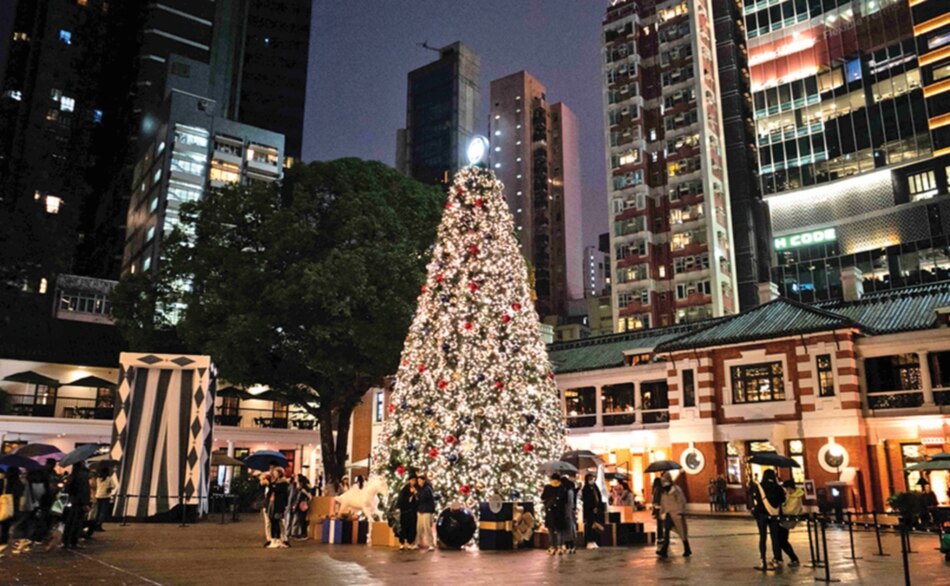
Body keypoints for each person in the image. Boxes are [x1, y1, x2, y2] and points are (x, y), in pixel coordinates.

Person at [751, 468, 785, 570]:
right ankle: (777, 560)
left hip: (762, 515)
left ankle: (763, 560)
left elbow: (756, 499)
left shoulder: (759, 486)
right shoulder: (778, 487)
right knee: (775, 538)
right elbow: (782, 500)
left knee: (763, 537)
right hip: (774, 515)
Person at [657, 471, 691, 558]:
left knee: (682, 531)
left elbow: (682, 500)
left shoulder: (676, 490)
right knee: (667, 530)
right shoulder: (664, 491)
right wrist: (662, 512)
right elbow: (663, 502)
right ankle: (664, 549)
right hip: (668, 513)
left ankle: (687, 548)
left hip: (676, 513)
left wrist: (680, 511)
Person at [62, 461, 91, 550]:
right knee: (77, 522)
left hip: (72, 500)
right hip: (79, 502)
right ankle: (73, 541)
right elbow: (85, 490)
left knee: (69, 522)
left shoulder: (72, 475)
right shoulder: (83, 475)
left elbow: (66, 489)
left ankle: (66, 541)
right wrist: (86, 503)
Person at [778, 480, 802, 566]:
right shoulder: (791, 495)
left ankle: (794, 558)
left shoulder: (795, 497)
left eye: (787, 489)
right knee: (782, 540)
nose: (786, 490)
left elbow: (789, 510)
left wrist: (780, 509)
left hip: (788, 521)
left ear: (790, 488)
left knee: (782, 541)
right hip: (786, 521)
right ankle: (792, 558)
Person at [0, 466, 24, 556]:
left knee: (3, 524)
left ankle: (2, 543)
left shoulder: (4, 482)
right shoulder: (20, 484)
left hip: (3, 505)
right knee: (6, 526)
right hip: (13, 507)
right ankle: (4, 542)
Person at [541, 474, 566, 554]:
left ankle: (552, 547)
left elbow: (542, 497)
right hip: (560, 512)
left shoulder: (547, 487)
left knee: (551, 530)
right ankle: (560, 547)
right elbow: (565, 500)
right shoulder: (562, 487)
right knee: (559, 530)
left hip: (550, 512)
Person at [266, 468, 290, 548]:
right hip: (272, 504)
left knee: (277, 522)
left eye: (276, 473)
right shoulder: (273, 482)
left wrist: (273, 486)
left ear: (279, 474)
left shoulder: (283, 483)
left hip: (279, 505)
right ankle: (273, 539)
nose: (274, 474)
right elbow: (270, 491)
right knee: (272, 521)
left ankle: (279, 539)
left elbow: (277, 490)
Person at [581, 473, 604, 549]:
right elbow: (586, 501)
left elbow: (599, 497)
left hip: (596, 510)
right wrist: (592, 508)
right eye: (590, 479)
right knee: (589, 526)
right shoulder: (586, 489)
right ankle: (589, 541)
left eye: (592, 478)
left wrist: (597, 507)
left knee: (595, 526)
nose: (591, 480)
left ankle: (594, 541)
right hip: (589, 511)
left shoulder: (595, 488)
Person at [259, 462, 278, 547]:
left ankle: (278, 537)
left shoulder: (277, 480)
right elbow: (261, 485)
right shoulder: (266, 477)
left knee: (276, 521)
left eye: (273, 468)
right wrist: (263, 480)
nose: (271, 470)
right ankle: (269, 538)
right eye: (270, 468)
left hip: (274, 502)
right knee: (267, 522)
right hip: (266, 502)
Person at [396, 475, 418, 550]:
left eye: (414, 480)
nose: (413, 482)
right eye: (412, 480)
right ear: (409, 480)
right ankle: (401, 542)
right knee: (403, 527)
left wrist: (414, 493)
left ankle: (410, 542)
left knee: (412, 527)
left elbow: (417, 499)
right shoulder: (405, 488)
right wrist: (410, 494)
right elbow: (402, 499)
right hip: (405, 511)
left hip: (412, 511)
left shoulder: (416, 488)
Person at [414, 475, 435, 551]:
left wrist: (417, 493)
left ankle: (431, 544)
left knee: (427, 528)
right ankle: (417, 543)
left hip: (426, 511)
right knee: (419, 528)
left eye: (420, 481)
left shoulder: (427, 489)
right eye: (418, 481)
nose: (419, 482)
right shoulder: (420, 489)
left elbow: (424, 498)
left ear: (423, 481)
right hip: (421, 510)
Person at [92, 466, 116, 532]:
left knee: (98, 511)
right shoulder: (109, 478)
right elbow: (114, 486)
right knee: (103, 512)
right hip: (106, 496)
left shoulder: (98, 479)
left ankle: (94, 524)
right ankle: (99, 525)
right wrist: (109, 488)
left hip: (98, 495)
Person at [289, 475, 312, 540]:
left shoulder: (304, 489)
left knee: (302, 520)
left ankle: (304, 534)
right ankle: (300, 533)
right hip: (299, 506)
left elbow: (309, 497)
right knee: (300, 520)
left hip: (302, 506)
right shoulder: (299, 489)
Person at [562, 473, 578, 554]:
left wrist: (568, 513)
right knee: (569, 529)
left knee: (569, 530)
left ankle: (570, 546)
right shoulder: (569, 491)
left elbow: (569, 503)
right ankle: (570, 546)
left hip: (568, 512)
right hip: (569, 512)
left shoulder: (568, 491)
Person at [651, 477, 665, 552]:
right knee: (662, 523)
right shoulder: (660, 489)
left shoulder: (655, 489)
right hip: (661, 507)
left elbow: (654, 500)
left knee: (659, 523)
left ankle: (660, 536)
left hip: (657, 508)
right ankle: (662, 536)